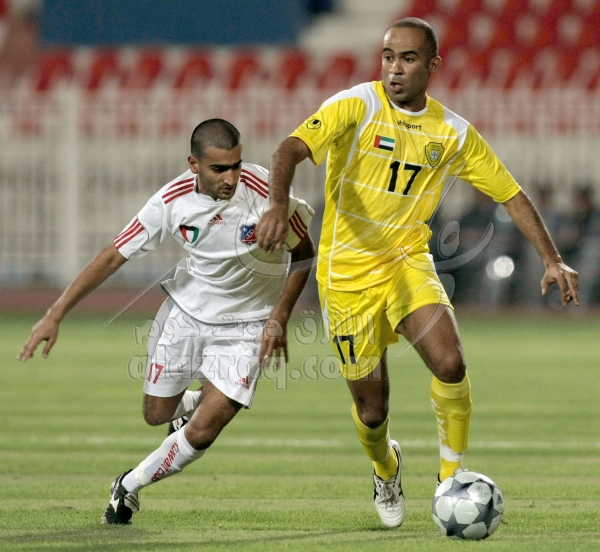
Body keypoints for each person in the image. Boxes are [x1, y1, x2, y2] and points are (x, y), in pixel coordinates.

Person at [256, 18, 579, 529]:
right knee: (372, 413)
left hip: (407, 263)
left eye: (407, 59)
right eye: (388, 57)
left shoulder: (452, 132)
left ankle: (451, 476)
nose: (394, 68)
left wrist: (552, 258)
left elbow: (511, 194)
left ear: (432, 66)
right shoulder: (356, 105)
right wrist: (277, 205)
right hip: (346, 279)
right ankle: (386, 468)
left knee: (450, 363)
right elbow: (288, 150)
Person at [18, 119, 315, 524]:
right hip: (187, 316)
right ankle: (193, 402)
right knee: (156, 414)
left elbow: (304, 253)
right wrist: (55, 314)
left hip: (248, 326)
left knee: (204, 431)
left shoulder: (266, 193)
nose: (231, 178)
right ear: (194, 165)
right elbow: (113, 255)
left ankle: (128, 485)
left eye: (236, 165)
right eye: (219, 169)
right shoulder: (171, 201)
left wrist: (280, 315)